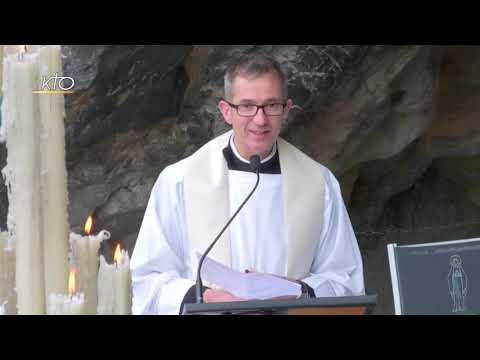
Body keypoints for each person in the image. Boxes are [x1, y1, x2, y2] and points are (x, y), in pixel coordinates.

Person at [130, 53, 365, 315]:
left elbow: (347, 283)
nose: (260, 119)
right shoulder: (179, 181)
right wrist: (204, 297)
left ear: (286, 109)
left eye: (271, 105)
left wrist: (299, 290)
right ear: (226, 111)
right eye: (247, 106)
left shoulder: (319, 184)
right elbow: (144, 282)